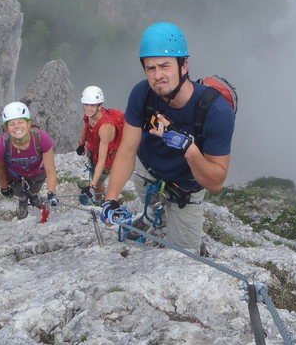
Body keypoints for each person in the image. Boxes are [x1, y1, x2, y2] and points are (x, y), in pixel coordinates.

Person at [99, 21, 235, 253]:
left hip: (186, 185)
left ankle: (181, 234)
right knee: (150, 205)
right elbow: (128, 150)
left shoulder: (216, 111)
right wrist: (110, 199)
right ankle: (152, 218)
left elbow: (216, 182)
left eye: (164, 66)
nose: (157, 75)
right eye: (150, 68)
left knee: (184, 256)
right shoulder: (142, 94)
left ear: (184, 66)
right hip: (148, 171)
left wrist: (189, 149)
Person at [0, 101, 59, 219]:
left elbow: (50, 170)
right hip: (14, 177)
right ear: (6, 128)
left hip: (37, 173)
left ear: (28, 124)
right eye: (12, 124)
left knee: (35, 189)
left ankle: (34, 197)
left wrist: (51, 193)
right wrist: (4, 187)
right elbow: (0, 168)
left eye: (20, 122)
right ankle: (22, 200)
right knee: (19, 192)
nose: (17, 126)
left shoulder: (41, 139)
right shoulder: (0, 145)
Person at [76, 85, 124, 204]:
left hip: (106, 159)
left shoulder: (105, 128)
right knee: (95, 176)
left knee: (98, 183)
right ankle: (96, 188)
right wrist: (81, 144)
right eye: (86, 104)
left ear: (100, 106)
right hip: (94, 151)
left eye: (92, 105)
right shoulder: (90, 116)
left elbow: (102, 162)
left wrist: (92, 186)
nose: (88, 108)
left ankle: (97, 200)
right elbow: (86, 128)